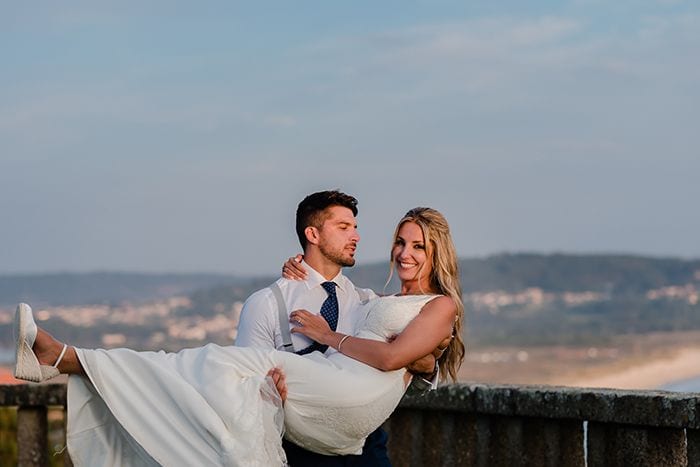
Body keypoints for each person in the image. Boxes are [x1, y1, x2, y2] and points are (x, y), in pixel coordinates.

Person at [14, 207, 466, 467]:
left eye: (418, 246)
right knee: (223, 368)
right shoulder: (363, 296)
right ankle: (77, 362)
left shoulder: (438, 303)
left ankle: (69, 358)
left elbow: (393, 359)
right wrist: (298, 278)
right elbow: (404, 351)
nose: (404, 253)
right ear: (313, 236)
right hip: (310, 407)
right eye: (401, 242)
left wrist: (330, 337)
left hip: (356, 411)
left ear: (436, 252)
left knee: (226, 363)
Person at [236, 190, 441, 466]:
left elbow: (404, 385)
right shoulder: (268, 303)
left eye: (355, 228)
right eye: (344, 228)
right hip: (298, 451)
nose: (355, 237)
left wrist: (425, 366)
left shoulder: (368, 302)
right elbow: (245, 390)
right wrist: (269, 394)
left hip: (366, 450)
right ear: (313, 235)